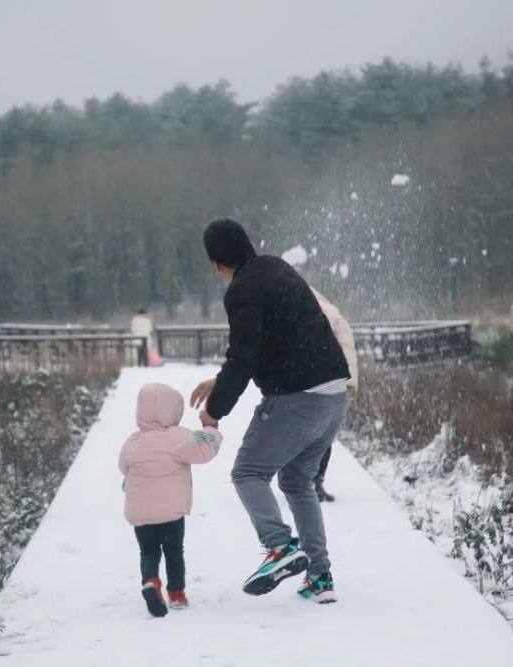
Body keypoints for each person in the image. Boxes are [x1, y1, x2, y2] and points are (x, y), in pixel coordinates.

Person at [190, 218, 350, 604]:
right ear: (249, 244)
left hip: (298, 398)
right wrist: (221, 382)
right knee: (296, 481)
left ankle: (279, 547)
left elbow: (243, 357)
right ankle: (319, 577)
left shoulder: (241, 291)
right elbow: (275, 340)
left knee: (248, 471)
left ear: (215, 263)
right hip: (334, 394)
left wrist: (215, 411)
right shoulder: (277, 268)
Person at [119, 383, 223, 617]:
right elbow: (204, 450)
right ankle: (176, 593)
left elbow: (122, 466)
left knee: (148, 552)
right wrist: (211, 427)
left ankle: (151, 581)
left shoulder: (133, 441)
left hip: (141, 514)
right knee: (174, 551)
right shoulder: (178, 437)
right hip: (171, 512)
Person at [308, 287, 359, 503]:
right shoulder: (332, 315)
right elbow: (347, 350)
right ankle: (314, 480)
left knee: (314, 435)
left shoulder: (321, 314)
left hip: (320, 382)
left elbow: (345, 349)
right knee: (323, 436)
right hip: (331, 383)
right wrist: (349, 383)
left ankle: (311, 480)